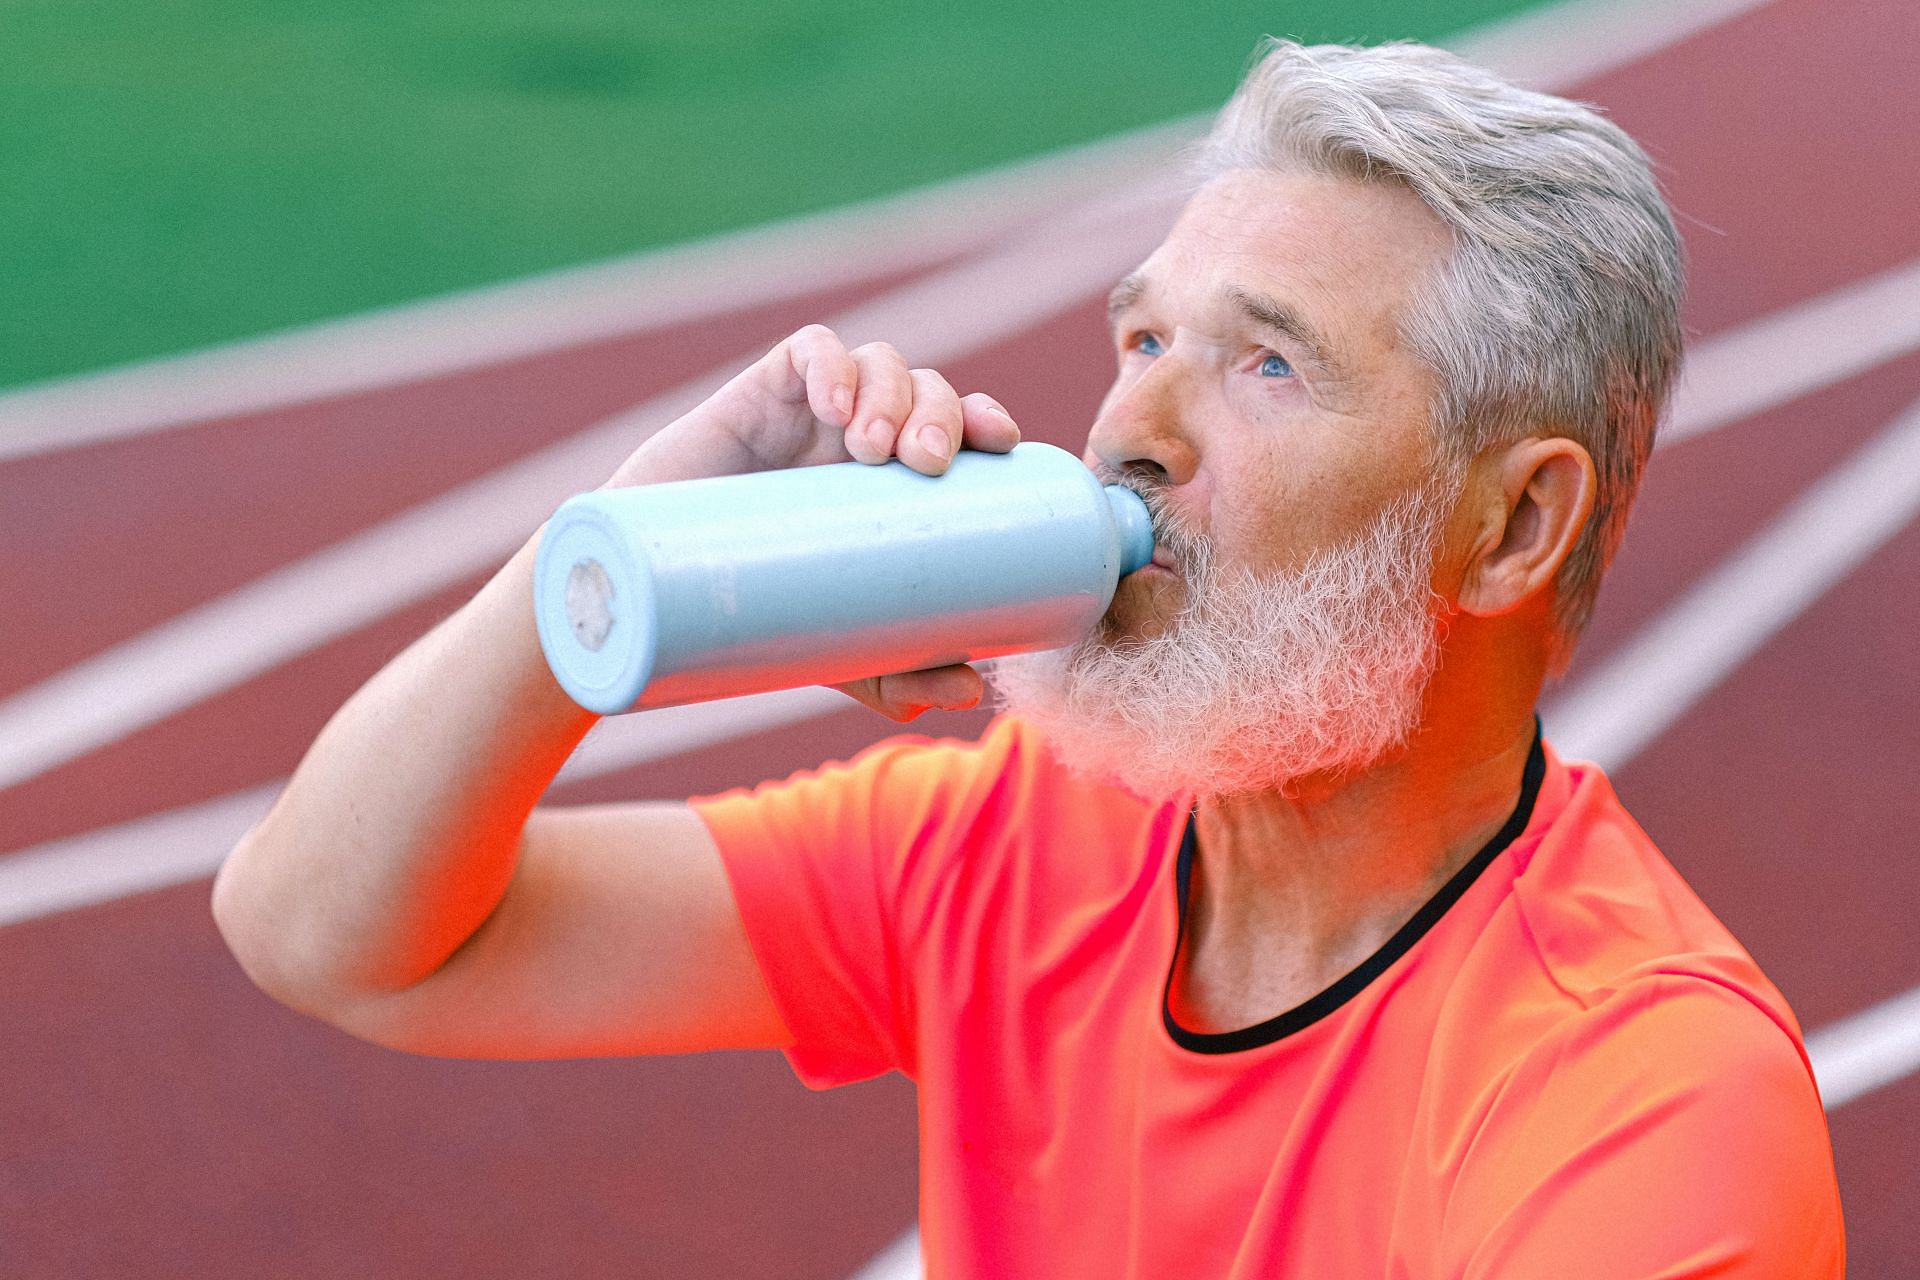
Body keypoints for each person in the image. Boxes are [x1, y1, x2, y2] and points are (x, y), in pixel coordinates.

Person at [212, 38, 1845, 1277]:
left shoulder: (1644, 1107)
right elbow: (340, 939)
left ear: (1507, 530)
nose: (1128, 432)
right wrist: (613, 548)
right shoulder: (1023, 839)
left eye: (1268, 366)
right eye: (1144, 339)